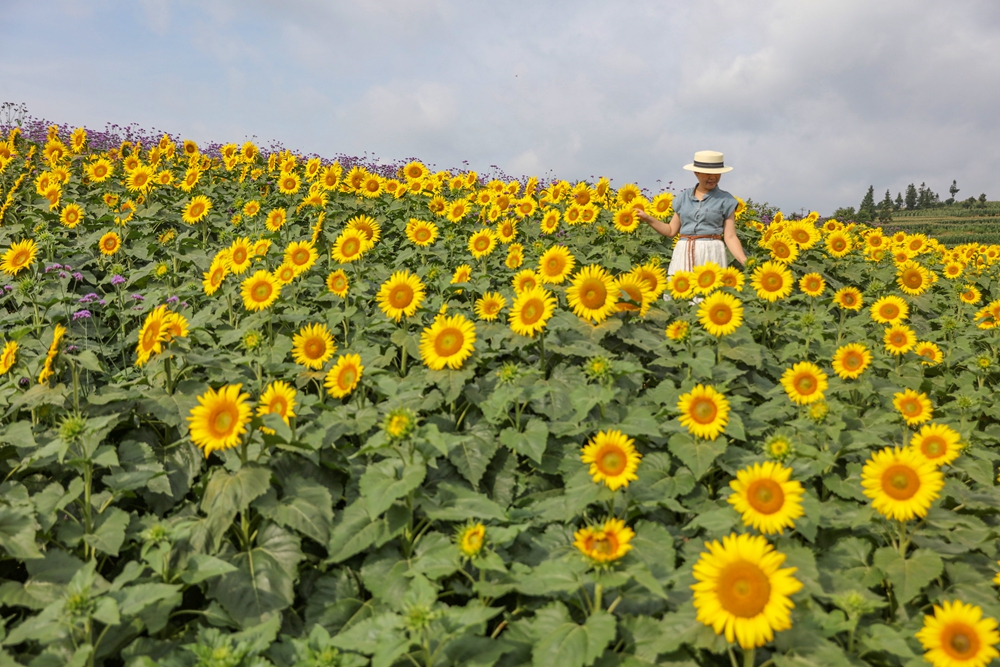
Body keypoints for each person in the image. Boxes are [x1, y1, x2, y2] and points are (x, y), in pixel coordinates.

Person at [636, 150, 747, 276]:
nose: (713, 177)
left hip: (711, 252)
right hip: (683, 252)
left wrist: (745, 261)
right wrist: (648, 218)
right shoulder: (683, 198)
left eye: (717, 173)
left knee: (710, 292)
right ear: (696, 172)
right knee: (680, 291)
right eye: (708, 173)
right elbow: (671, 230)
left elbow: (730, 236)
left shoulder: (726, 200)